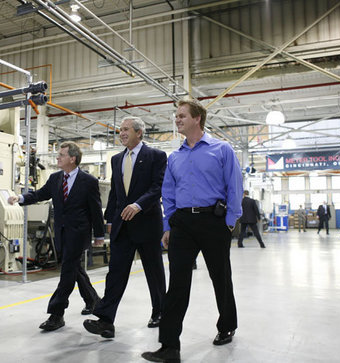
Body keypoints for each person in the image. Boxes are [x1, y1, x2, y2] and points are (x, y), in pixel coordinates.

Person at [142, 99, 243, 362]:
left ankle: (227, 326)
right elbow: (168, 193)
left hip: (213, 221)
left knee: (220, 278)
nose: (177, 120)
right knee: (177, 284)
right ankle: (169, 346)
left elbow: (235, 186)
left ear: (197, 118)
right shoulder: (175, 157)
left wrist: (230, 221)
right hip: (183, 224)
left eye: (181, 115)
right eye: (175, 116)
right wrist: (168, 225)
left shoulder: (221, 149)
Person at [83, 116, 167, 338]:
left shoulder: (156, 156)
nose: (121, 133)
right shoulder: (116, 159)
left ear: (139, 133)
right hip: (123, 225)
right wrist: (109, 221)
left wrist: (139, 205)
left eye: (126, 129)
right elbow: (115, 193)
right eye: (119, 130)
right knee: (116, 273)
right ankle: (105, 320)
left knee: (154, 272)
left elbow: (158, 187)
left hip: (147, 223)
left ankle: (160, 311)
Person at [8, 141, 104, 331]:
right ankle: (94, 301)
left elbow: (95, 210)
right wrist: (20, 198)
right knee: (74, 268)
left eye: (61, 154)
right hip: (61, 233)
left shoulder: (88, 181)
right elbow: (40, 194)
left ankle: (56, 314)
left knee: (67, 271)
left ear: (73, 159)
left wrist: (99, 235)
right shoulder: (55, 178)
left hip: (78, 233)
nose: (58, 157)